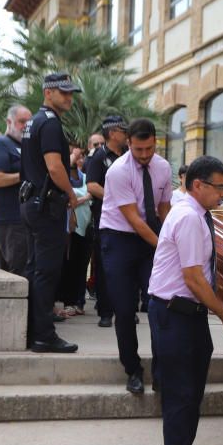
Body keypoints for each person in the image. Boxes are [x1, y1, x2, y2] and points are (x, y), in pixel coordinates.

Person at [148, 156, 223, 445]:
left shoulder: (197, 214)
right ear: (198, 185)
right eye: (219, 187)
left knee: (188, 394)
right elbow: (193, 278)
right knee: (181, 397)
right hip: (177, 314)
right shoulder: (189, 217)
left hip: (186, 313)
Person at [99, 118, 172, 393]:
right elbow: (133, 219)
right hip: (119, 238)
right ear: (128, 144)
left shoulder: (163, 167)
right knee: (125, 310)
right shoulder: (118, 171)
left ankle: (161, 372)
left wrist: (172, 237)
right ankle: (133, 370)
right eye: (138, 149)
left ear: (155, 142)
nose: (144, 155)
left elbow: (164, 210)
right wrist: (165, 246)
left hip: (150, 237)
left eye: (149, 149)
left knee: (158, 304)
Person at [21, 72, 82, 354]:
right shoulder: (51, 123)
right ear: (48, 92)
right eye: (63, 92)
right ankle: (44, 335)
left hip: (33, 203)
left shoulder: (34, 121)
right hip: (46, 206)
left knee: (35, 270)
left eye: (71, 93)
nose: (69, 97)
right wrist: (71, 195)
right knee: (46, 272)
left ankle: (34, 331)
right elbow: (55, 167)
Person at [85, 115, 129, 328]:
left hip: (130, 221)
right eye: (123, 131)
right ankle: (105, 311)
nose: (126, 134)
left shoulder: (130, 155)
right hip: (107, 221)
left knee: (128, 269)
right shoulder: (98, 156)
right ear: (112, 133)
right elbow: (92, 185)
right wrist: (117, 199)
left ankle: (126, 309)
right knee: (105, 268)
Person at [0, 105, 33, 275]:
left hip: (25, 219)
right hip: (9, 220)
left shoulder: (25, 146)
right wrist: (25, 175)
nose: (26, 126)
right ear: (9, 122)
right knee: (17, 271)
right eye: (22, 122)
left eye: (30, 122)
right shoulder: (0, 144)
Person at [58, 147, 93, 316]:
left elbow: (89, 194)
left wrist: (76, 197)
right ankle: (68, 302)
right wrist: (83, 197)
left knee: (81, 266)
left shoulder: (87, 177)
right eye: (74, 158)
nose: (78, 161)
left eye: (81, 158)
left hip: (84, 228)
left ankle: (79, 302)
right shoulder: (61, 177)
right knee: (68, 265)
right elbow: (67, 197)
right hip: (66, 229)